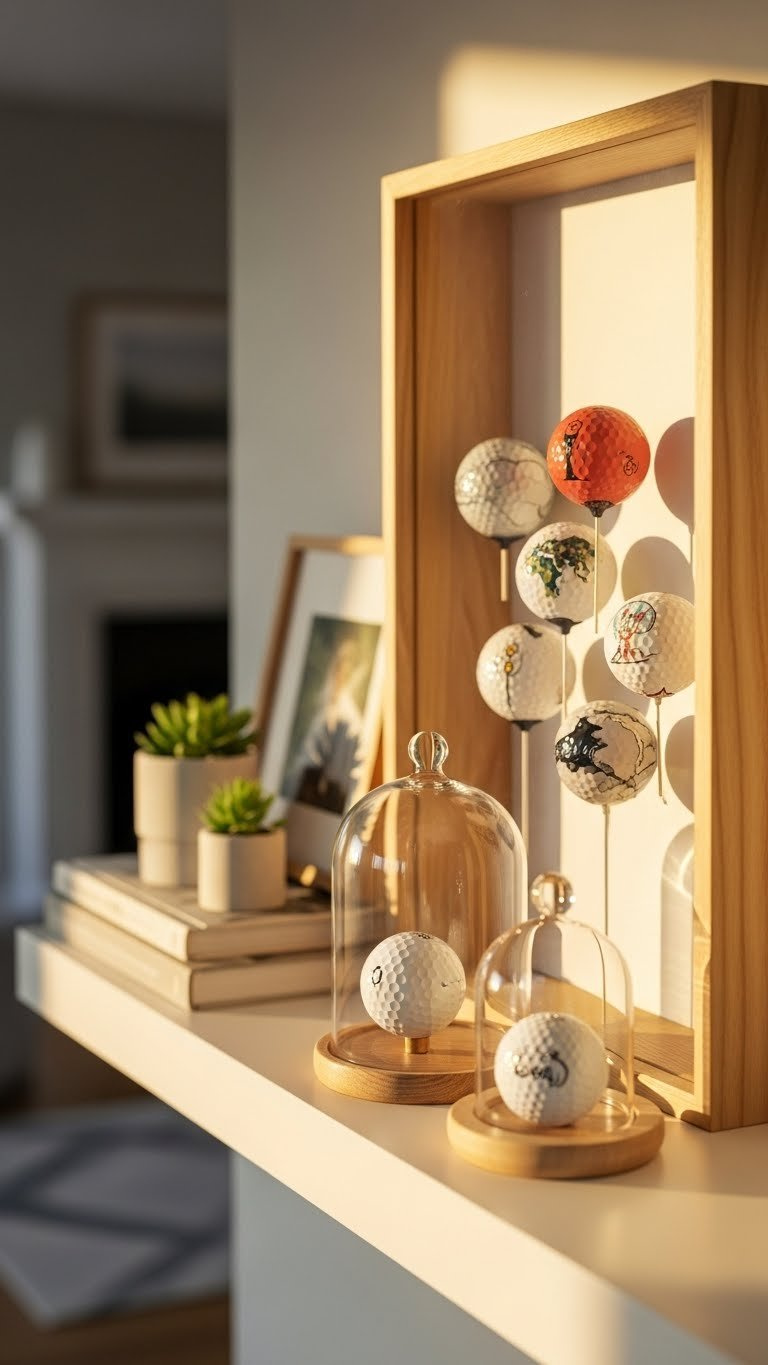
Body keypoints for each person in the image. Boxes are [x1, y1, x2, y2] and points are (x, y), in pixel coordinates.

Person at [285, 633, 366, 814]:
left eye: (348, 662)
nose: (340, 668)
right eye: (339, 661)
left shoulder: (350, 722)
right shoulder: (325, 709)